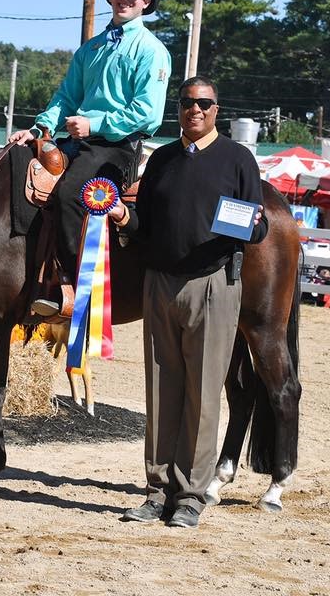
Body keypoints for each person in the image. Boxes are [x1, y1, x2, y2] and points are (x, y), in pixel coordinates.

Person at [106, 76, 267, 529]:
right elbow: (146, 223)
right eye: (186, 103)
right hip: (159, 284)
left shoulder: (238, 159)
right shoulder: (162, 159)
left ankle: (192, 494)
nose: (193, 109)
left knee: (202, 393)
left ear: (217, 109)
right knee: (161, 390)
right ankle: (157, 489)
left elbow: (257, 228)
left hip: (212, 284)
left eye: (203, 103)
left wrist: (250, 226)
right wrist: (123, 215)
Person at [8, 0, 171, 316]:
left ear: (146, 2)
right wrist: (38, 128)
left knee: (70, 195)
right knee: (20, 171)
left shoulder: (152, 51)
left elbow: (148, 113)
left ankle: (72, 286)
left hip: (118, 146)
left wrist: (95, 125)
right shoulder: (90, 49)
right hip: (77, 140)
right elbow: (66, 95)